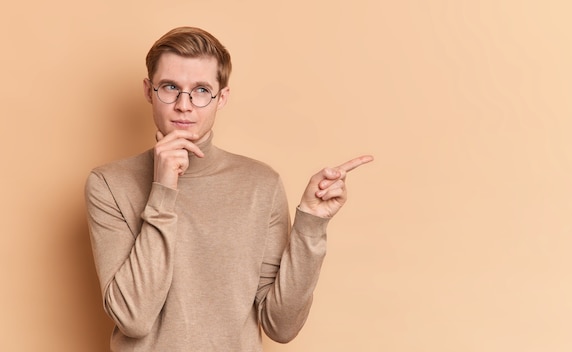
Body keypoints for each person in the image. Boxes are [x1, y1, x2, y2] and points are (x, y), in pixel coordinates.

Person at [85, 26, 373, 351]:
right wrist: (163, 189)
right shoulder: (109, 184)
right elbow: (133, 317)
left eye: (201, 90)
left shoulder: (261, 184)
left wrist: (311, 224)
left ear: (221, 97)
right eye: (170, 87)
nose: (184, 104)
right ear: (148, 91)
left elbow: (281, 326)